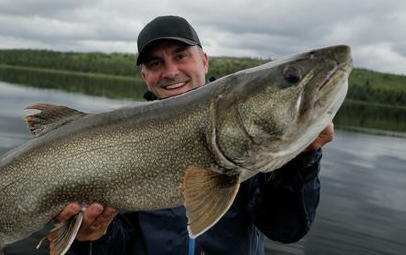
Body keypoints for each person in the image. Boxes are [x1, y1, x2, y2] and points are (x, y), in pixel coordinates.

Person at [58, 15, 334, 255]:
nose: (170, 72)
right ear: (146, 77)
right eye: (155, 63)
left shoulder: (247, 137)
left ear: (203, 60)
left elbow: (285, 229)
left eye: (180, 56)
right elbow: (117, 246)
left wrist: (302, 159)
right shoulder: (117, 143)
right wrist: (92, 238)